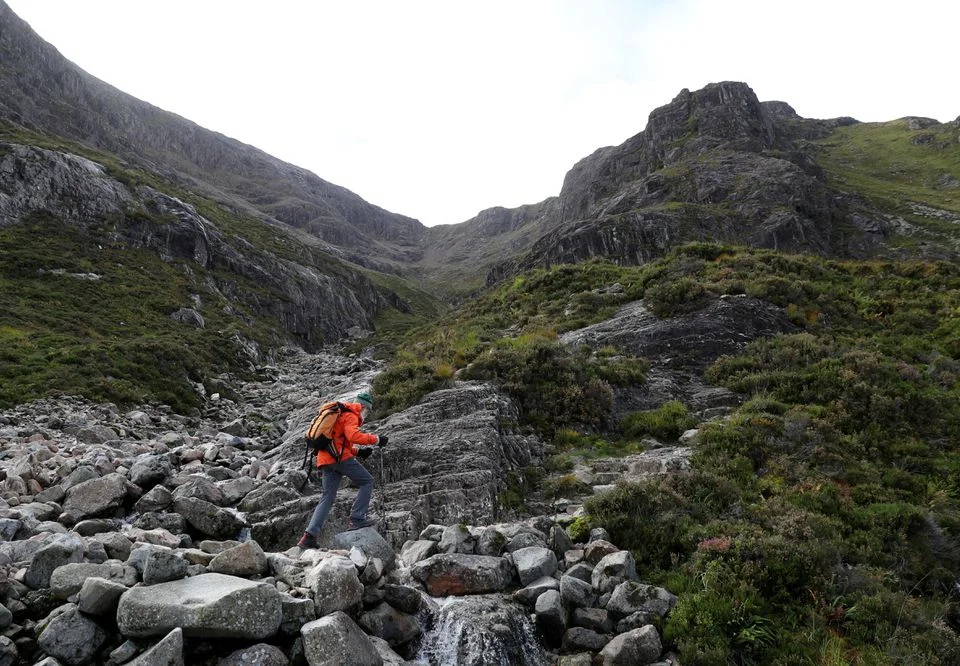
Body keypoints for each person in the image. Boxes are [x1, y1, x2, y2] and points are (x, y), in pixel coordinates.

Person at [297, 391, 389, 549]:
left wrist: (359, 452)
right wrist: (377, 439)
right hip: (339, 459)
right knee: (367, 481)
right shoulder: (351, 415)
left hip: (326, 460)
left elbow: (339, 442)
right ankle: (357, 518)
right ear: (364, 407)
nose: (367, 415)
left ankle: (308, 537)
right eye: (368, 411)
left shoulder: (340, 413)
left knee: (327, 497)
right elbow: (353, 436)